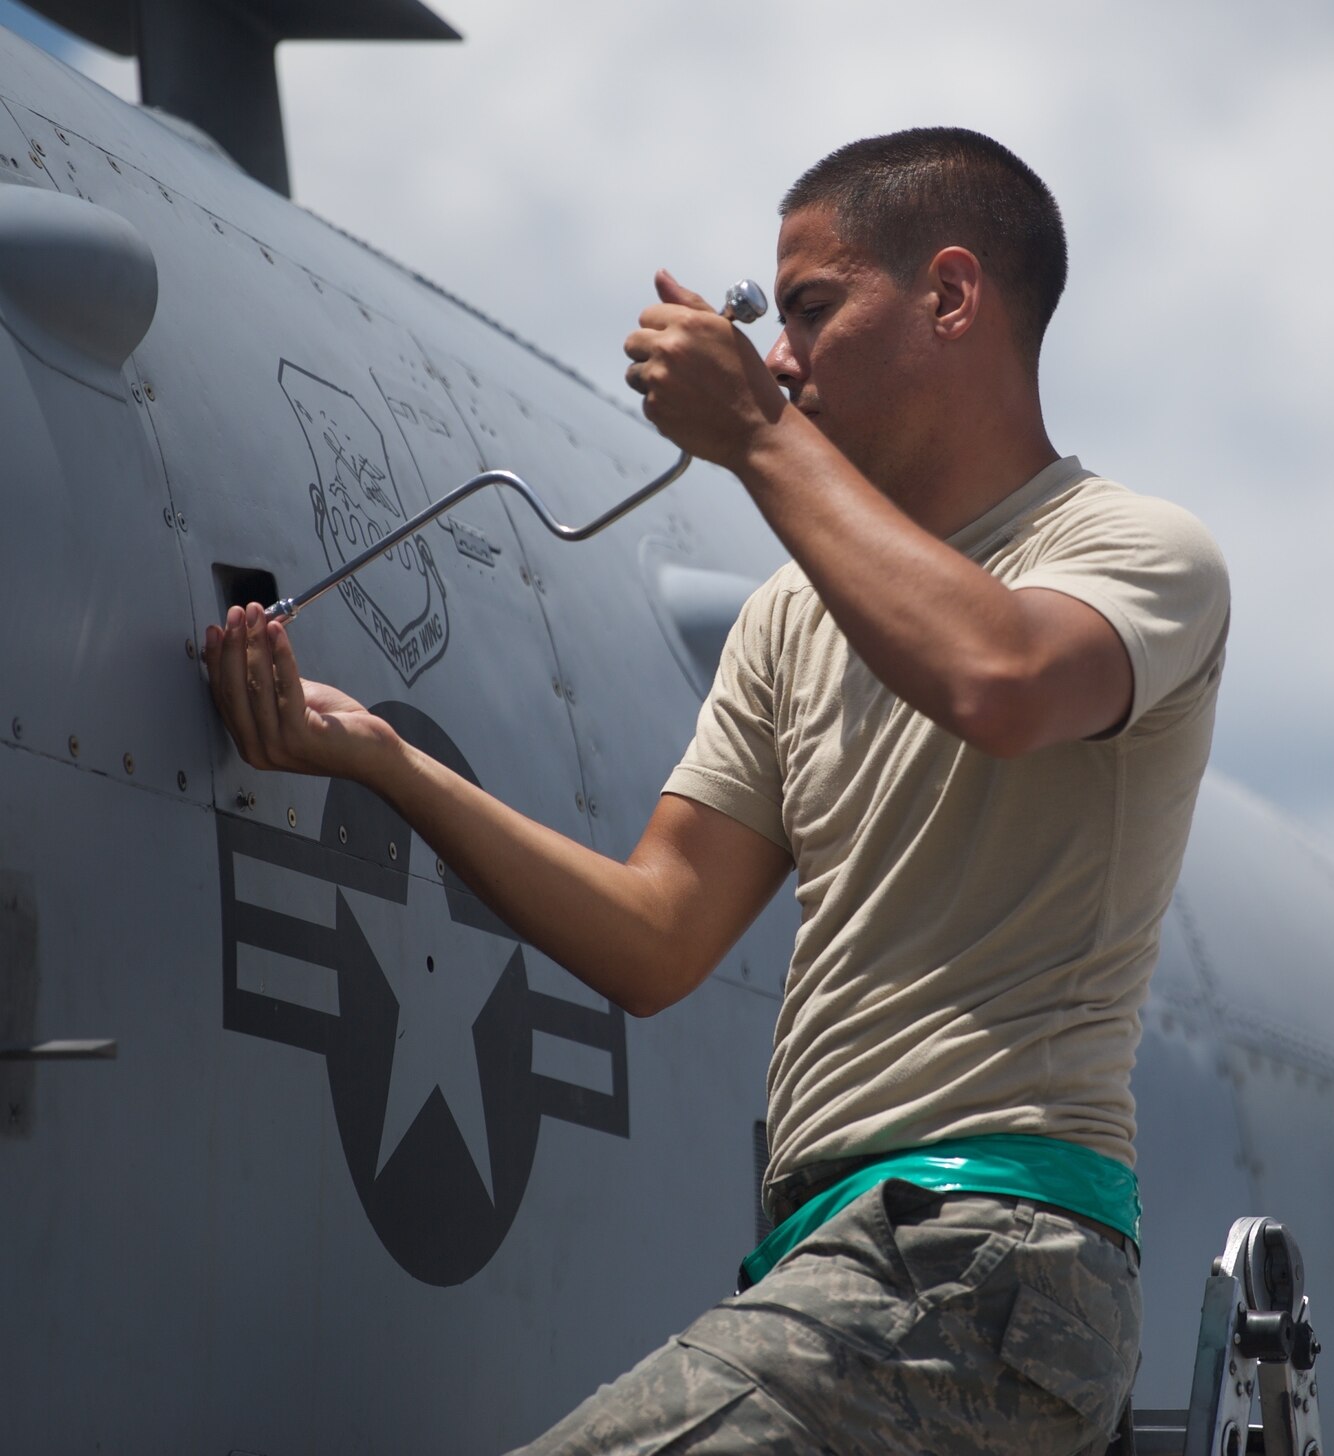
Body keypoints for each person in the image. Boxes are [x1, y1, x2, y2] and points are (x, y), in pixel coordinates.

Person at [203, 127, 1228, 1455]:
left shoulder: (1134, 551)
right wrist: (377, 757)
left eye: (810, 307)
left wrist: (748, 431)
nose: (784, 358)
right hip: (841, 1259)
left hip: (987, 1254)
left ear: (954, 296)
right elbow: (658, 931)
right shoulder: (789, 623)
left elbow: (1002, 681)